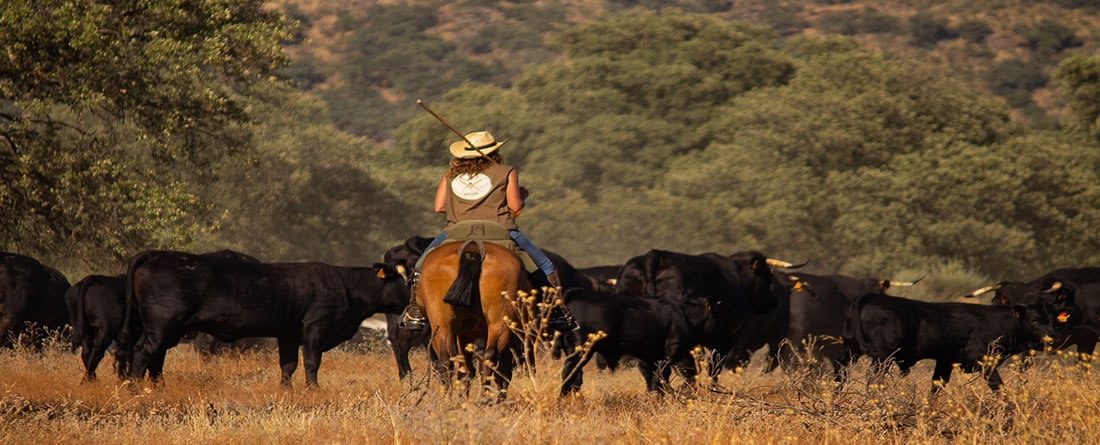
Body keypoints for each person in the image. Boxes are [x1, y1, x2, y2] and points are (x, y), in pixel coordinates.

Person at [400, 130, 561, 330]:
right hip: (500, 230)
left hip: (457, 231)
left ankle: (414, 309)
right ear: (494, 152)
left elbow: (439, 207)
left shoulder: (450, 175)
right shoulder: (507, 171)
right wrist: (521, 196)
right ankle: (557, 313)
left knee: (420, 267)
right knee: (546, 266)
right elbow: (515, 207)